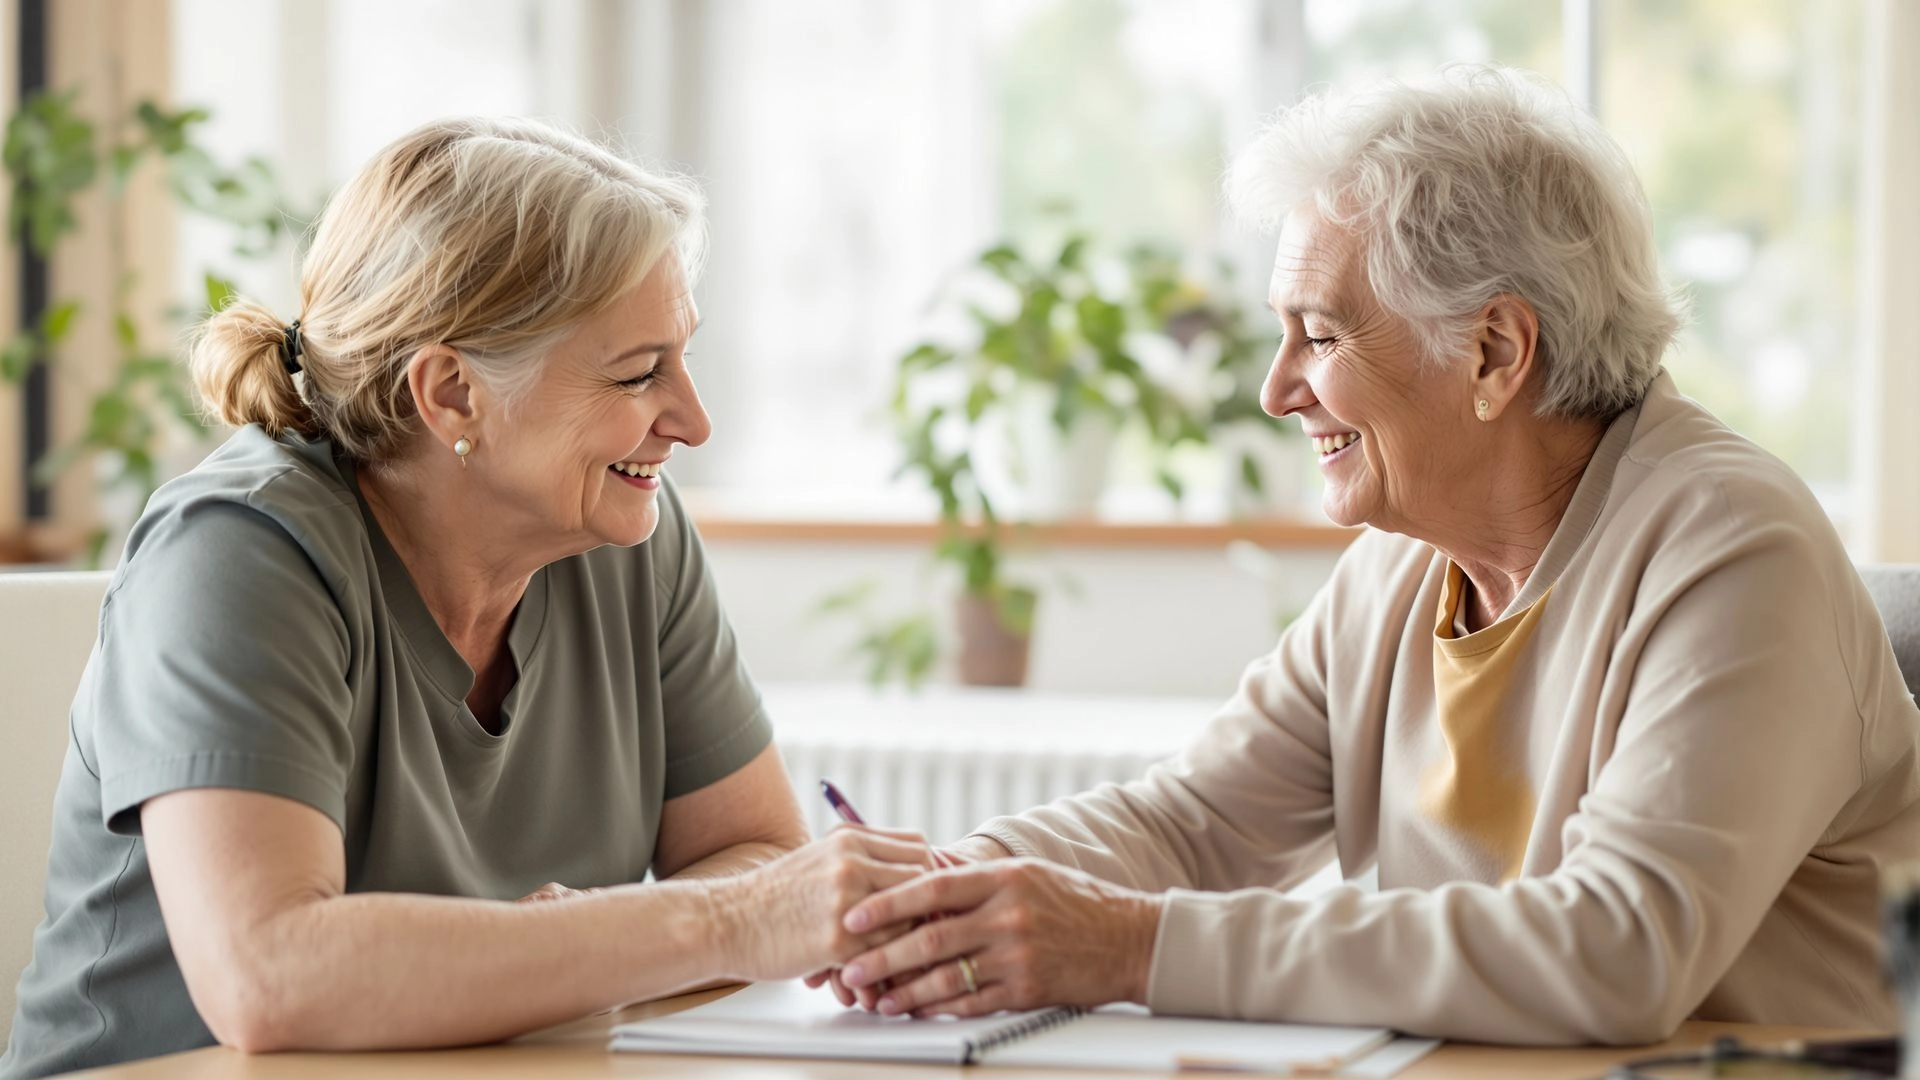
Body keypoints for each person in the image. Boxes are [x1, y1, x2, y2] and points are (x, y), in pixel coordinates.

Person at [825, 66, 1920, 1045]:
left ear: (1493, 350)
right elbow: (1193, 824)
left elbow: (1617, 949)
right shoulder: (1403, 569)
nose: (1276, 390)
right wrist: (946, 889)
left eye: (1321, 334)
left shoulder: (1735, 551)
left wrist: (1129, 947)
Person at [0, 117, 932, 1079]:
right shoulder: (234, 554)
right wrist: (718, 924)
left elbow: (756, 848)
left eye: (683, 356)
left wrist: (612, 932)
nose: (693, 423)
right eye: (637, 373)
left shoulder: (624, 531)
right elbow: (270, 975)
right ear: (451, 393)